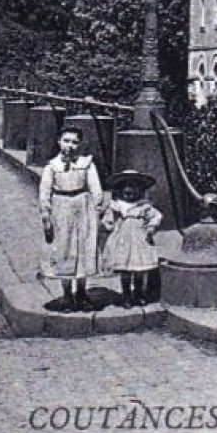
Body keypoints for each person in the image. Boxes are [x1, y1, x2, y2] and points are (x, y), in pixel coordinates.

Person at [38, 127, 104, 311]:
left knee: (84, 249)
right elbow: (44, 192)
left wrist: (97, 209)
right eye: (66, 141)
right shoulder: (51, 166)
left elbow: (96, 189)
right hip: (61, 208)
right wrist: (46, 216)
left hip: (83, 207)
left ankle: (82, 293)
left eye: (75, 142)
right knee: (64, 250)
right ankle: (67, 296)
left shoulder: (87, 164)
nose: (70, 145)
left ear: (80, 144)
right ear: (59, 141)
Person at [102, 169, 163, 308]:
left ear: (140, 189)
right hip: (123, 240)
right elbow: (108, 219)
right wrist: (108, 224)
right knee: (125, 270)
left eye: (134, 187)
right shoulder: (116, 205)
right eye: (127, 188)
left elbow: (156, 216)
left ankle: (138, 294)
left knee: (139, 269)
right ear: (121, 190)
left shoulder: (144, 206)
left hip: (139, 240)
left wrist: (151, 227)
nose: (130, 191)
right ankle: (126, 296)